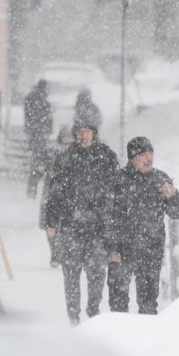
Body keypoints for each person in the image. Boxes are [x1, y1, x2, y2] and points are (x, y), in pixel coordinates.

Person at [45, 120, 118, 326]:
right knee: (71, 273)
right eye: (80, 132)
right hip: (71, 226)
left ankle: (93, 310)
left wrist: (113, 221)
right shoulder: (65, 159)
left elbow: (116, 192)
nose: (83, 136)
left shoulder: (107, 157)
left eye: (87, 132)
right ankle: (73, 315)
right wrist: (50, 221)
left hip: (97, 227)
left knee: (96, 274)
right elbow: (55, 193)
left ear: (94, 134)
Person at [107, 136, 179, 315]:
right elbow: (106, 218)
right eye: (143, 154)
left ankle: (146, 341)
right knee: (118, 305)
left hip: (150, 250)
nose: (148, 158)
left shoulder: (160, 179)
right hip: (121, 251)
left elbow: (177, 213)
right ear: (132, 158)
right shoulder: (118, 180)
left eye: (151, 153)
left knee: (149, 304)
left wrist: (172, 196)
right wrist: (111, 248)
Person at [39, 125, 73, 268]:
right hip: (50, 196)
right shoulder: (52, 156)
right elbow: (42, 171)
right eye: (65, 143)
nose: (67, 146)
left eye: (70, 143)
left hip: (68, 199)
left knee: (66, 228)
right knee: (50, 228)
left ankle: (63, 254)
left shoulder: (75, 158)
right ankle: (55, 253)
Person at [24, 79, 53, 198]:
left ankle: (32, 190)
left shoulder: (32, 98)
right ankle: (33, 190)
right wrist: (46, 128)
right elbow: (46, 117)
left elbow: (29, 115)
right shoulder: (41, 100)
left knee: (37, 164)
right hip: (39, 135)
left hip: (35, 134)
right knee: (38, 164)